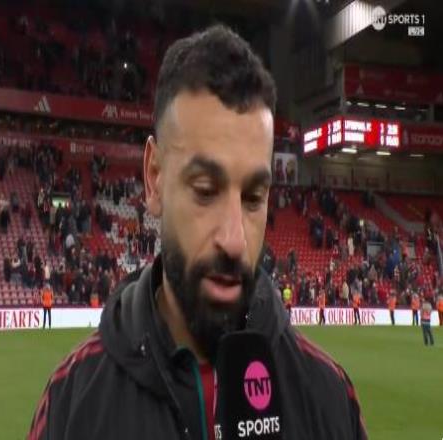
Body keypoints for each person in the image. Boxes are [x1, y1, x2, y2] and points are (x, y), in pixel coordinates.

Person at [29, 25, 367, 440]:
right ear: (154, 178)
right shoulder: (72, 401)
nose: (235, 240)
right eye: (206, 191)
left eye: (253, 197)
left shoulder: (329, 396)